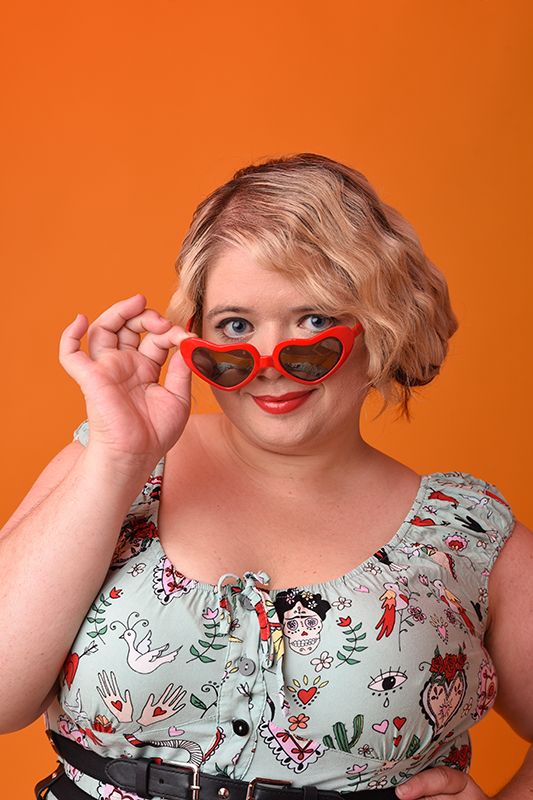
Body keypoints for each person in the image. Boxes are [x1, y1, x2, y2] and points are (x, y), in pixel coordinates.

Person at [1, 154, 531, 800]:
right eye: (236, 326)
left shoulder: (463, 535)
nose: (270, 362)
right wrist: (116, 459)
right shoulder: (116, 468)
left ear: (381, 324)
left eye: (313, 320)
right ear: (196, 337)